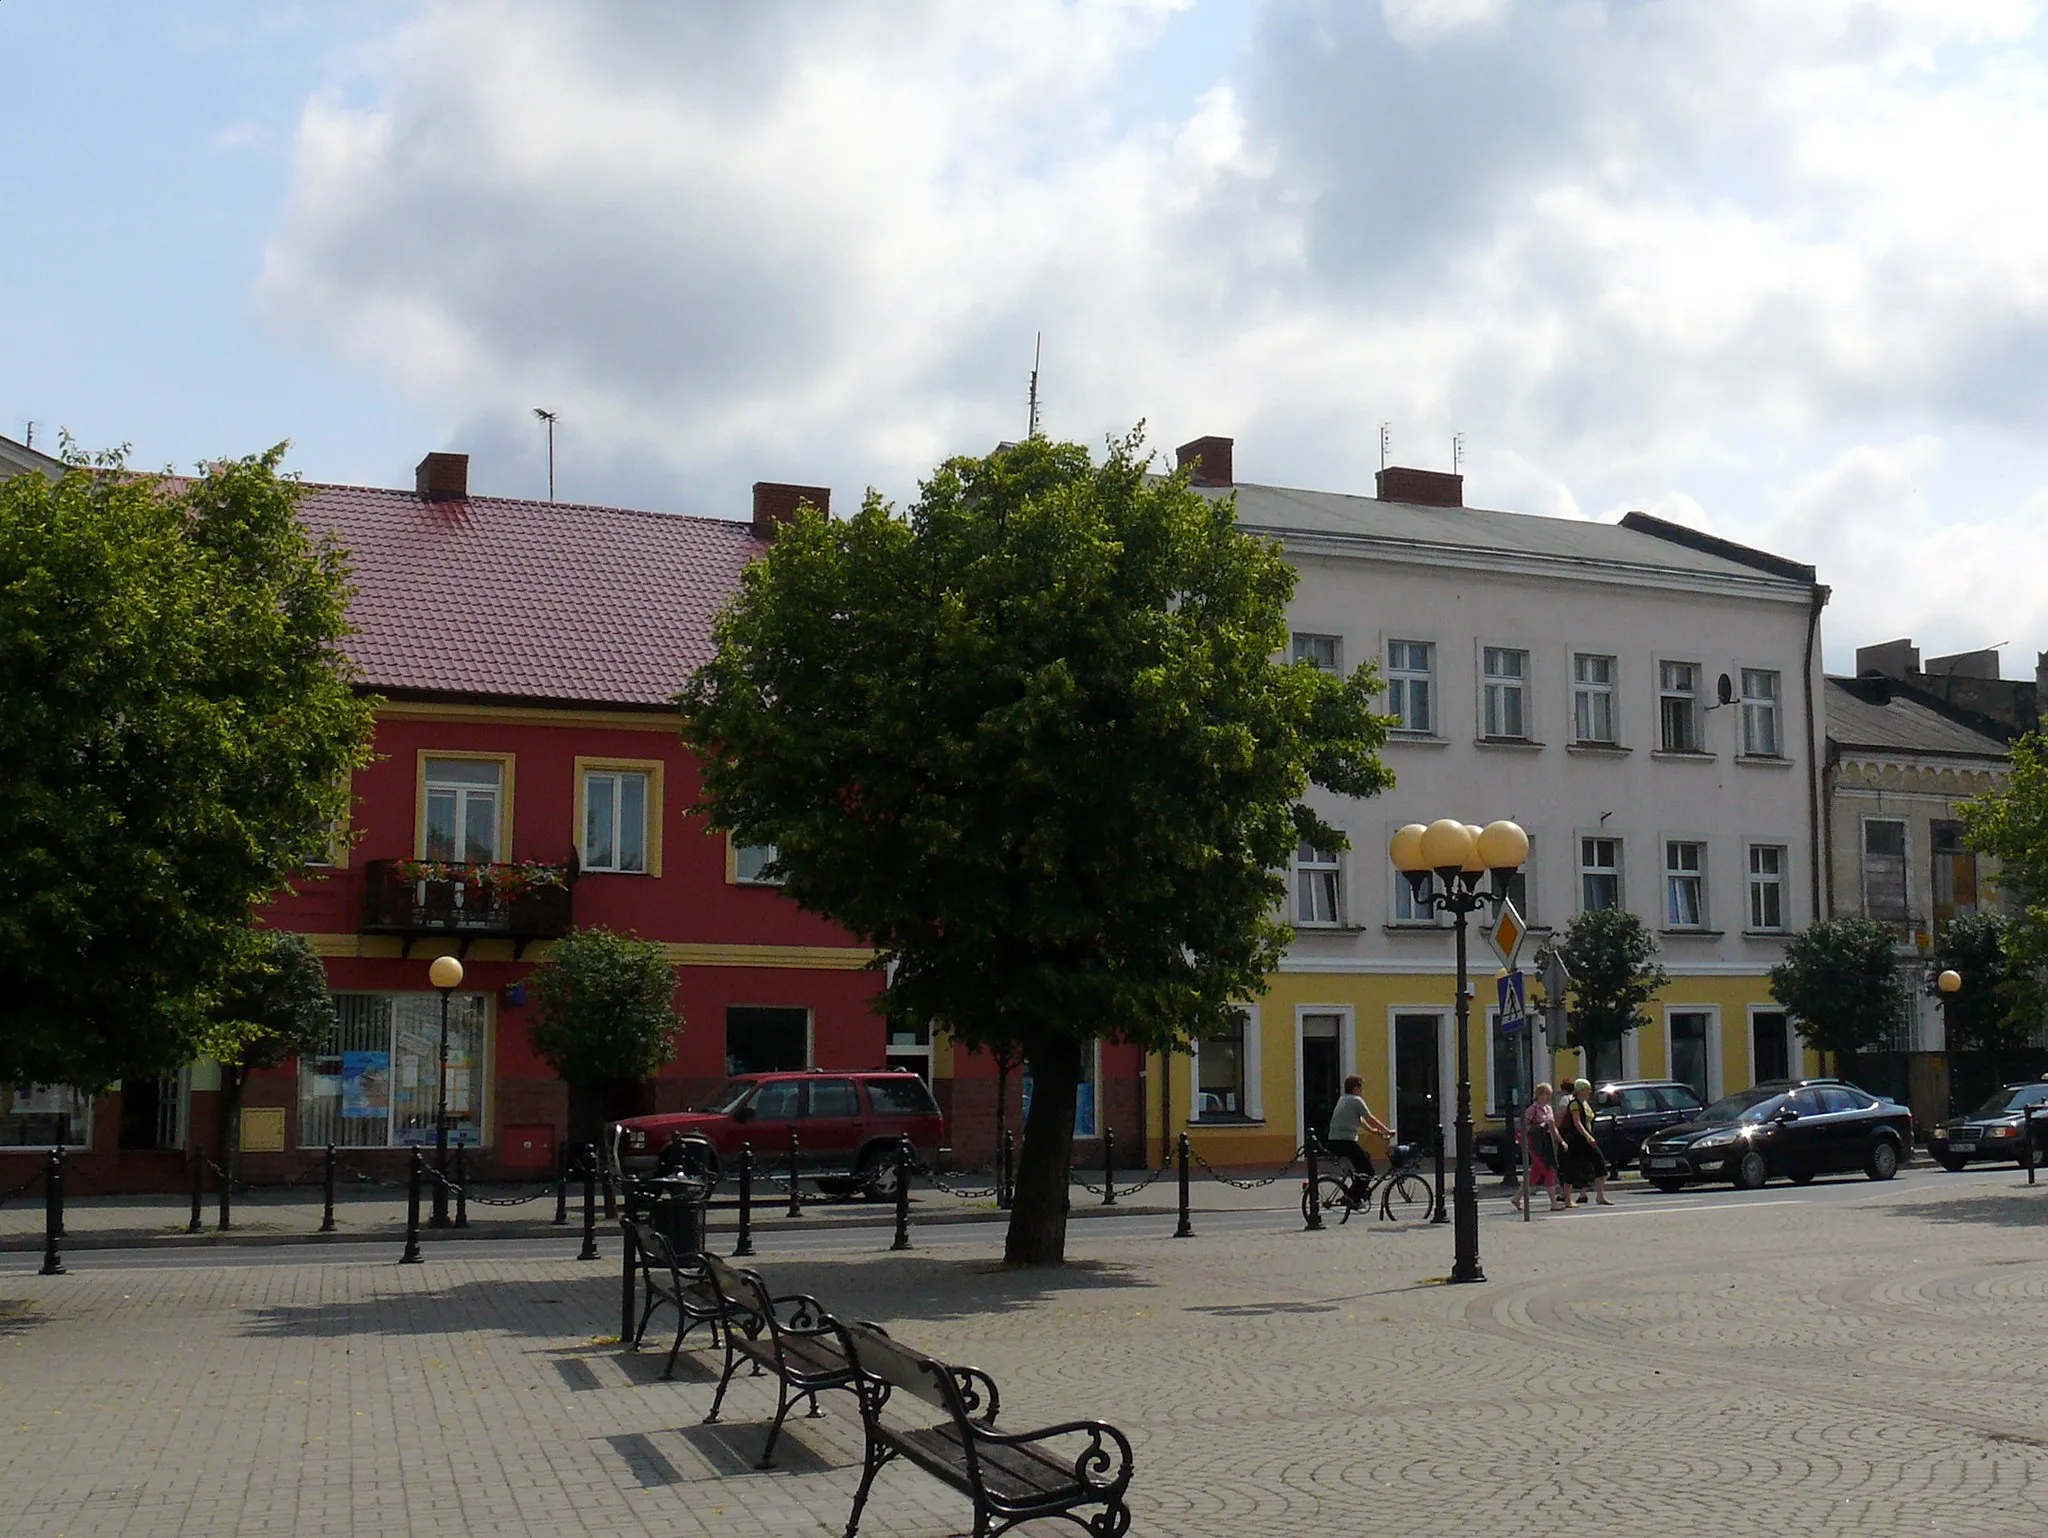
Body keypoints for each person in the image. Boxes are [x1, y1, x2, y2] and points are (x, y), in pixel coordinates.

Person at [1326, 1075, 1395, 1196]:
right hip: (1346, 1142)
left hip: (1334, 1141)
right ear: (1355, 1088)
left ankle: (1354, 1193)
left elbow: (1360, 1120)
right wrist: (1387, 1131)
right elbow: (1370, 1118)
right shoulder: (1356, 1100)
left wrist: (1373, 1131)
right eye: (1361, 1087)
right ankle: (1353, 1197)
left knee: (1364, 1160)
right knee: (1369, 1171)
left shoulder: (1343, 1099)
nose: (1362, 1090)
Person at [1557, 1077, 1612, 1207]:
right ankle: (1567, 1199)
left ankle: (1600, 1196)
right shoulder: (1575, 1104)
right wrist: (1588, 1137)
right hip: (1576, 1141)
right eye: (1587, 1089)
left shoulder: (1586, 1104)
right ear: (1580, 1090)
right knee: (1571, 1168)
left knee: (1600, 1163)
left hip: (1587, 1140)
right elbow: (1577, 1123)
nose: (1590, 1092)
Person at [1512, 1082, 1563, 1212]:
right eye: (1546, 1094)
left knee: (1535, 1174)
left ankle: (1517, 1198)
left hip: (1546, 1143)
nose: (1548, 1097)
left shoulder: (1549, 1109)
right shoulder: (1532, 1109)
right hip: (1535, 1144)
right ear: (1539, 1094)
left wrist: (1561, 1141)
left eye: (1549, 1094)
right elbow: (1523, 1126)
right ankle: (1553, 1203)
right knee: (1548, 1169)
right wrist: (1536, 1128)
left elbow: (1552, 1127)